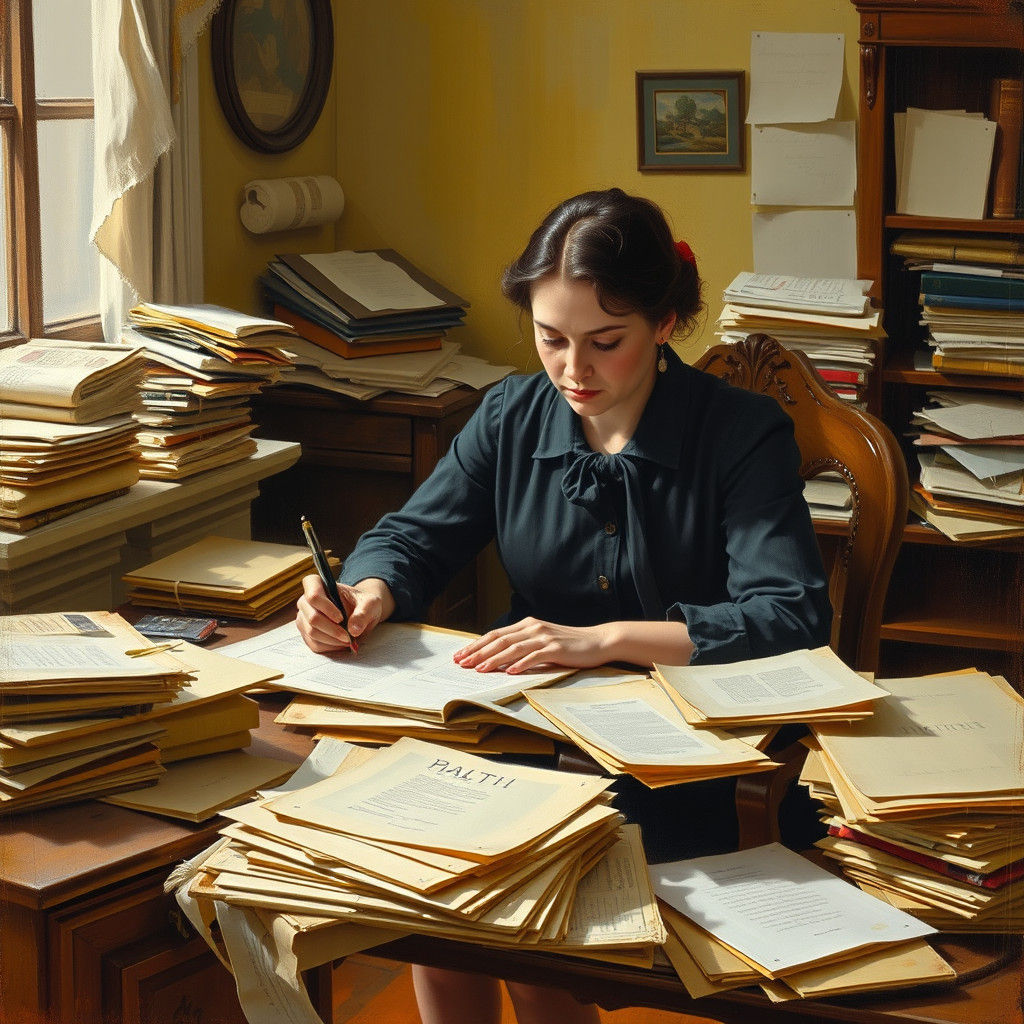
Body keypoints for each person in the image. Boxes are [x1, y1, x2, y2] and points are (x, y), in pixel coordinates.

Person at [296, 187, 832, 1024]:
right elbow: (414, 536)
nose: (573, 371)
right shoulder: (512, 416)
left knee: (523, 903)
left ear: (665, 324)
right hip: (525, 736)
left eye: (604, 342)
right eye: (550, 339)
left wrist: (604, 639)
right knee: (429, 886)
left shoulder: (740, 432)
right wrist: (365, 590)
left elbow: (789, 617)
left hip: (689, 762)